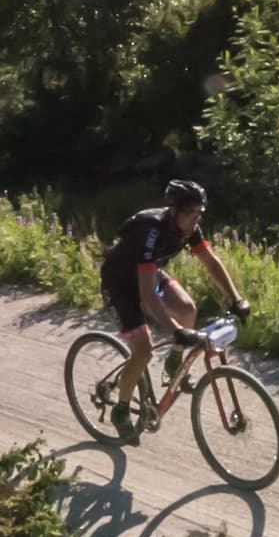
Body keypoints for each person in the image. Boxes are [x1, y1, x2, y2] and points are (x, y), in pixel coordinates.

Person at [96, 179, 252, 424]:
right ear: (174, 210)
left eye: (199, 214)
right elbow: (148, 295)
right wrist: (176, 330)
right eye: (190, 214)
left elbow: (211, 263)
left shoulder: (189, 229)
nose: (195, 220)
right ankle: (121, 410)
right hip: (120, 284)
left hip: (147, 273)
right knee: (143, 351)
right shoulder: (150, 232)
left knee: (187, 309)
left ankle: (173, 363)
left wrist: (236, 299)